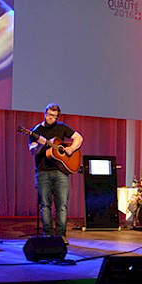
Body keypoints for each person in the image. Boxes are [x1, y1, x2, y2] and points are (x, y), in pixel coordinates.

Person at [28, 103, 83, 243]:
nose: (50, 117)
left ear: (57, 117)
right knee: (45, 205)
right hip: (42, 172)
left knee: (62, 205)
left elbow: (79, 138)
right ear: (44, 113)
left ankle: (61, 236)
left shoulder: (62, 127)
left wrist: (71, 149)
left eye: (53, 116)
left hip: (61, 171)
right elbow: (32, 151)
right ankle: (47, 236)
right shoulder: (36, 131)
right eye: (48, 114)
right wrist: (40, 144)